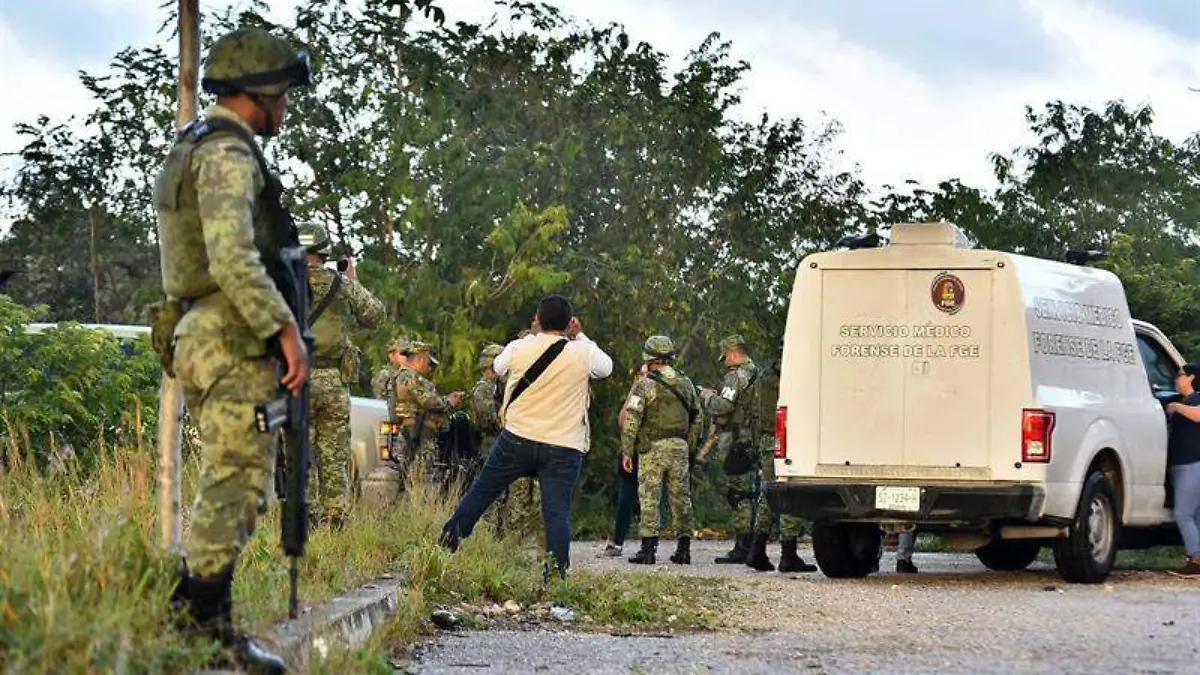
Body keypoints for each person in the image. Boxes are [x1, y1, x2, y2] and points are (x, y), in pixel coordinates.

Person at [155, 26, 312, 673]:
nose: (285, 109)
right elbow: (230, 256)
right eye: (283, 96)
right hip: (227, 336)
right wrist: (284, 329)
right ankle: (202, 629)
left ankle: (193, 611)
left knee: (234, 477)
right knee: (239, 480)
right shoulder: (227, 153)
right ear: (262, 93)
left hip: (201, 331)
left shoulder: (193, 145)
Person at [439, 294, 613, 578]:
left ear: (538, 320)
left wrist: (533, 338)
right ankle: (556, 575)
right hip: (563, 445)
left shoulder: (519, 347)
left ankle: (446, 543)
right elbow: (606, 368)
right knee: (556, 513)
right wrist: (580, 336)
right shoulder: (582, 353)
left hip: (517, 439)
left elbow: (496, 369)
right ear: (569, 322)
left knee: (481, 493)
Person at [298, 223, 385, 527]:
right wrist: (353, 281)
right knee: (334, 456)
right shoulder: (342, 285)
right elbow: (376, 315)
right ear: (324, 251)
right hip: (333, 381)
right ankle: (334, 521)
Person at [622, 336, 700, 565]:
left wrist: (627, 450)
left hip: (651, 449)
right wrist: (689, 446)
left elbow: (632, 419)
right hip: (679, 447)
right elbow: (697, 417)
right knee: (681, 498)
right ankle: (684, 550)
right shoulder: (686, 383)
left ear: (650, 358)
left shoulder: (645, 384)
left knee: (649, 498)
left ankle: (648, 551)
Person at [743, 358, 817, 573]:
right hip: (786, 438)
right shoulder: (786, 378)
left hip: (768, 440)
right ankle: (788, 554)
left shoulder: (765, 376)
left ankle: (757, 549)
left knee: (768, 495)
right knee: (789, 492)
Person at [698, 334, 762, 565]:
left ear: (734, 354)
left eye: (725, 357)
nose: (724, 362)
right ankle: (748, 543)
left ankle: (743, 546)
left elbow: (724, 405)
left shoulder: (737, 377)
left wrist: (708, 398)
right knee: (747, 491)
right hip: (752, 440)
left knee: (739, 493)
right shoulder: (758, 374)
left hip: (738, 440)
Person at [390, 341, 463, 481]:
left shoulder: (401, 376)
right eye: (429, 363)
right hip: (419, 434)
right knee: (421, 477)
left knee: (410, 475)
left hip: (412, 432)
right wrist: (449, 401)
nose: (430, 369)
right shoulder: (410, 377)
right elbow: (429, 401)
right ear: (421, 359)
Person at [1165, 364, 1200, 577]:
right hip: (1181, 464)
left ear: (1191, 377)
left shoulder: (1195, 399)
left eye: (1180, 375)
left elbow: (1198, 416)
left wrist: (1176, 407)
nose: (1176, 379)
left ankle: (1195, 558)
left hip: (1192, 463)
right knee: (1195, 514)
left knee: (1183, 513)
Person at [372, 335, 411, 400]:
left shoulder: (411, 374)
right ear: (391, 356)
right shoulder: (384, 375)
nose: (406, 357)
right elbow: (381, 403)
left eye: (409, 353)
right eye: (403, 353)